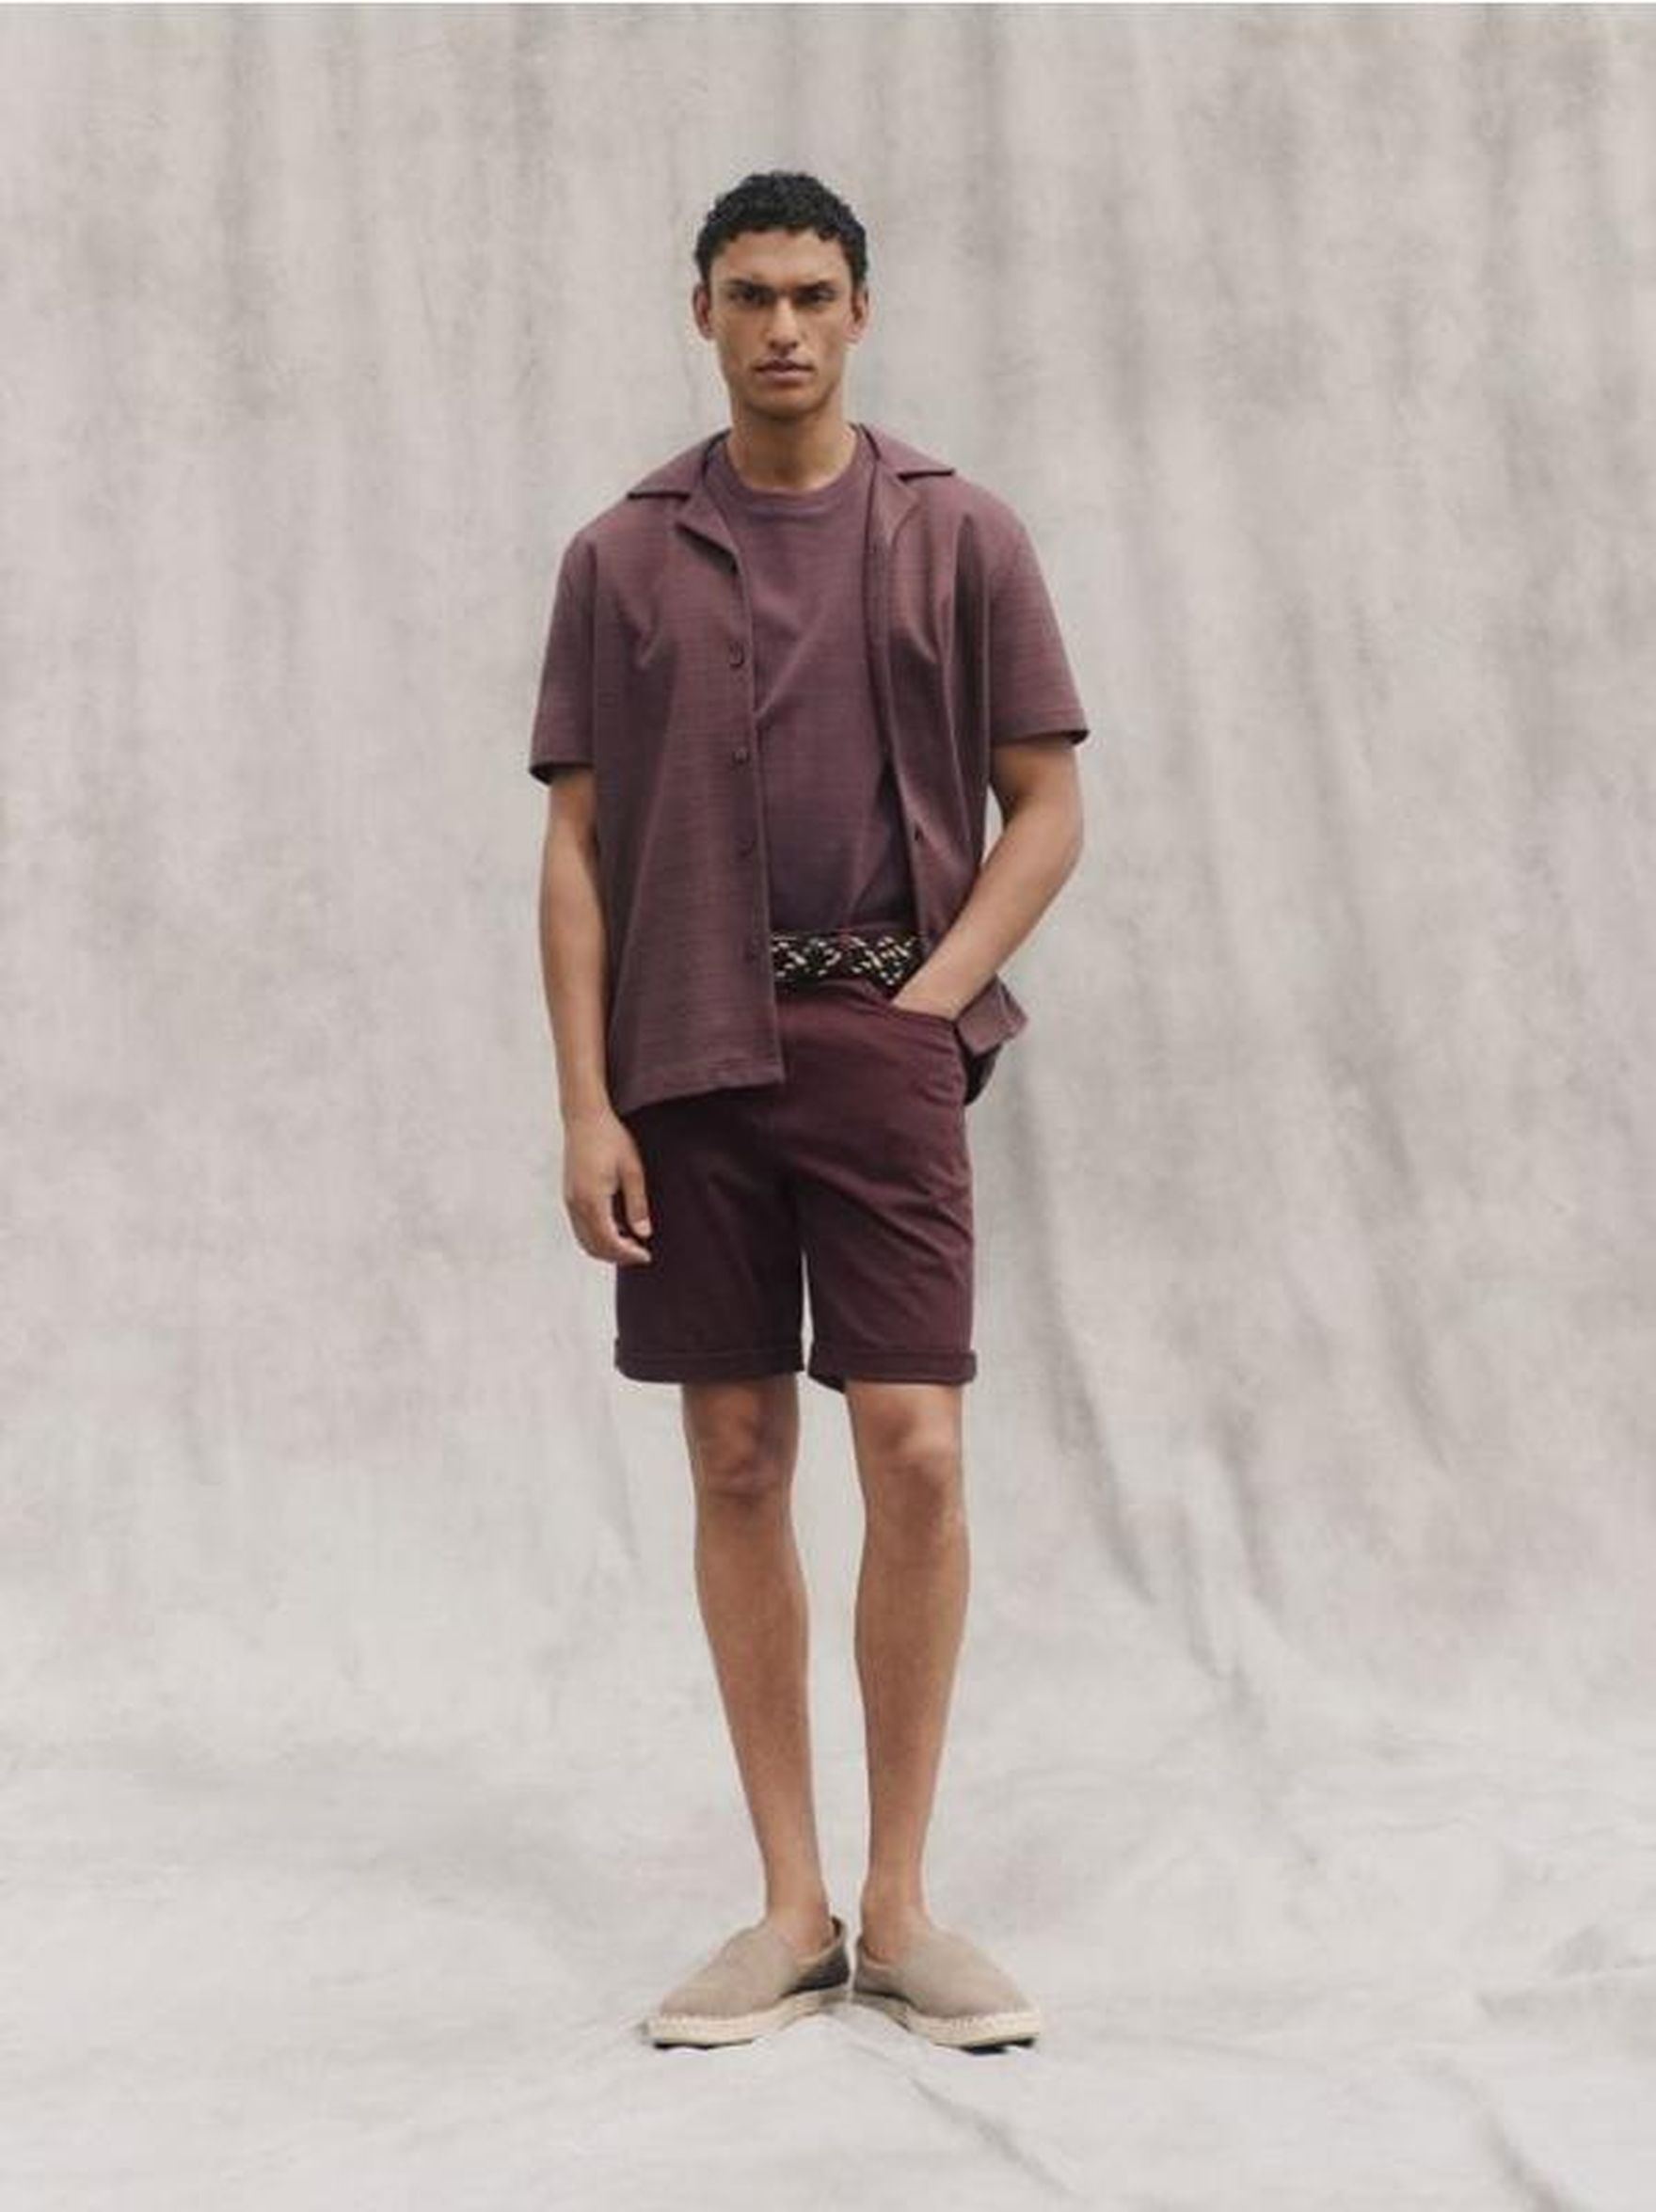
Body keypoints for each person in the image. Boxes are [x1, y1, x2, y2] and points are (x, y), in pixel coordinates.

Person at [527, 171, 1089, 2051]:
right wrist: (584, 1104)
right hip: (684, 1046)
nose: (783, 326)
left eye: (815, 295)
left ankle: (905, 1904)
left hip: (883, 1033)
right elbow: (576, 846)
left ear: (860, 312)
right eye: (752, 294)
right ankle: (790, 1908)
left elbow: (1046, 801)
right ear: (702, 312)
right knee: (738, 1456)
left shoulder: (959, 532)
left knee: (913, 1447)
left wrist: (929, 1006)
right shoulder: (621, 556)